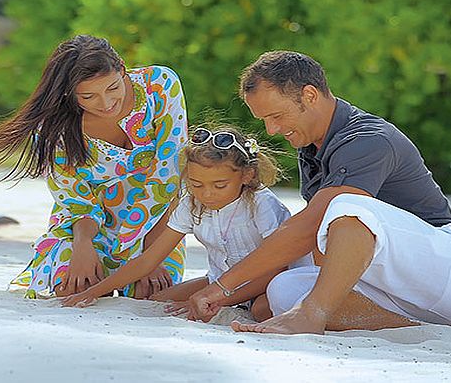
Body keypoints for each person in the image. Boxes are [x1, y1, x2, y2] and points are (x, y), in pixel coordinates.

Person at [187, 51, 451, 334]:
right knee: (279, 293)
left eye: (276, 116)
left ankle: (313, 314)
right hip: (394, 288)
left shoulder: (368, 139)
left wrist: (221, 288)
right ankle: (420, 327)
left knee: (344, 205)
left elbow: (307, 228)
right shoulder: (311, 146)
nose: (271, 130)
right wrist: (215, 291)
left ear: (309, 95)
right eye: (264, 120)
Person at [0, 35, 187, 299]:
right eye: (88, 96)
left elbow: (169, 176)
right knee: (70, 287)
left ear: (122, 68)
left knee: (151, 294)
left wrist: (148, 255)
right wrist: (83, 246)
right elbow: (76, 199)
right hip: (87, 225)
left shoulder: (160, 86)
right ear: (69, 94)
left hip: (157, 223)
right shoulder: (54, 130)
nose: (106, 103)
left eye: (112, 87)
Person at [61, 125, 307, 320]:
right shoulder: (191, 203)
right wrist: (92, 293)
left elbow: (277, 268)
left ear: (247, 175)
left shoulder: (262, 205)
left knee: (261, 310)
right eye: (196, 184)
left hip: (267, 284)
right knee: (158, 302)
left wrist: (218, 298)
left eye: (219, 185)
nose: (207, 194)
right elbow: (148, 260)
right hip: (217, 282)